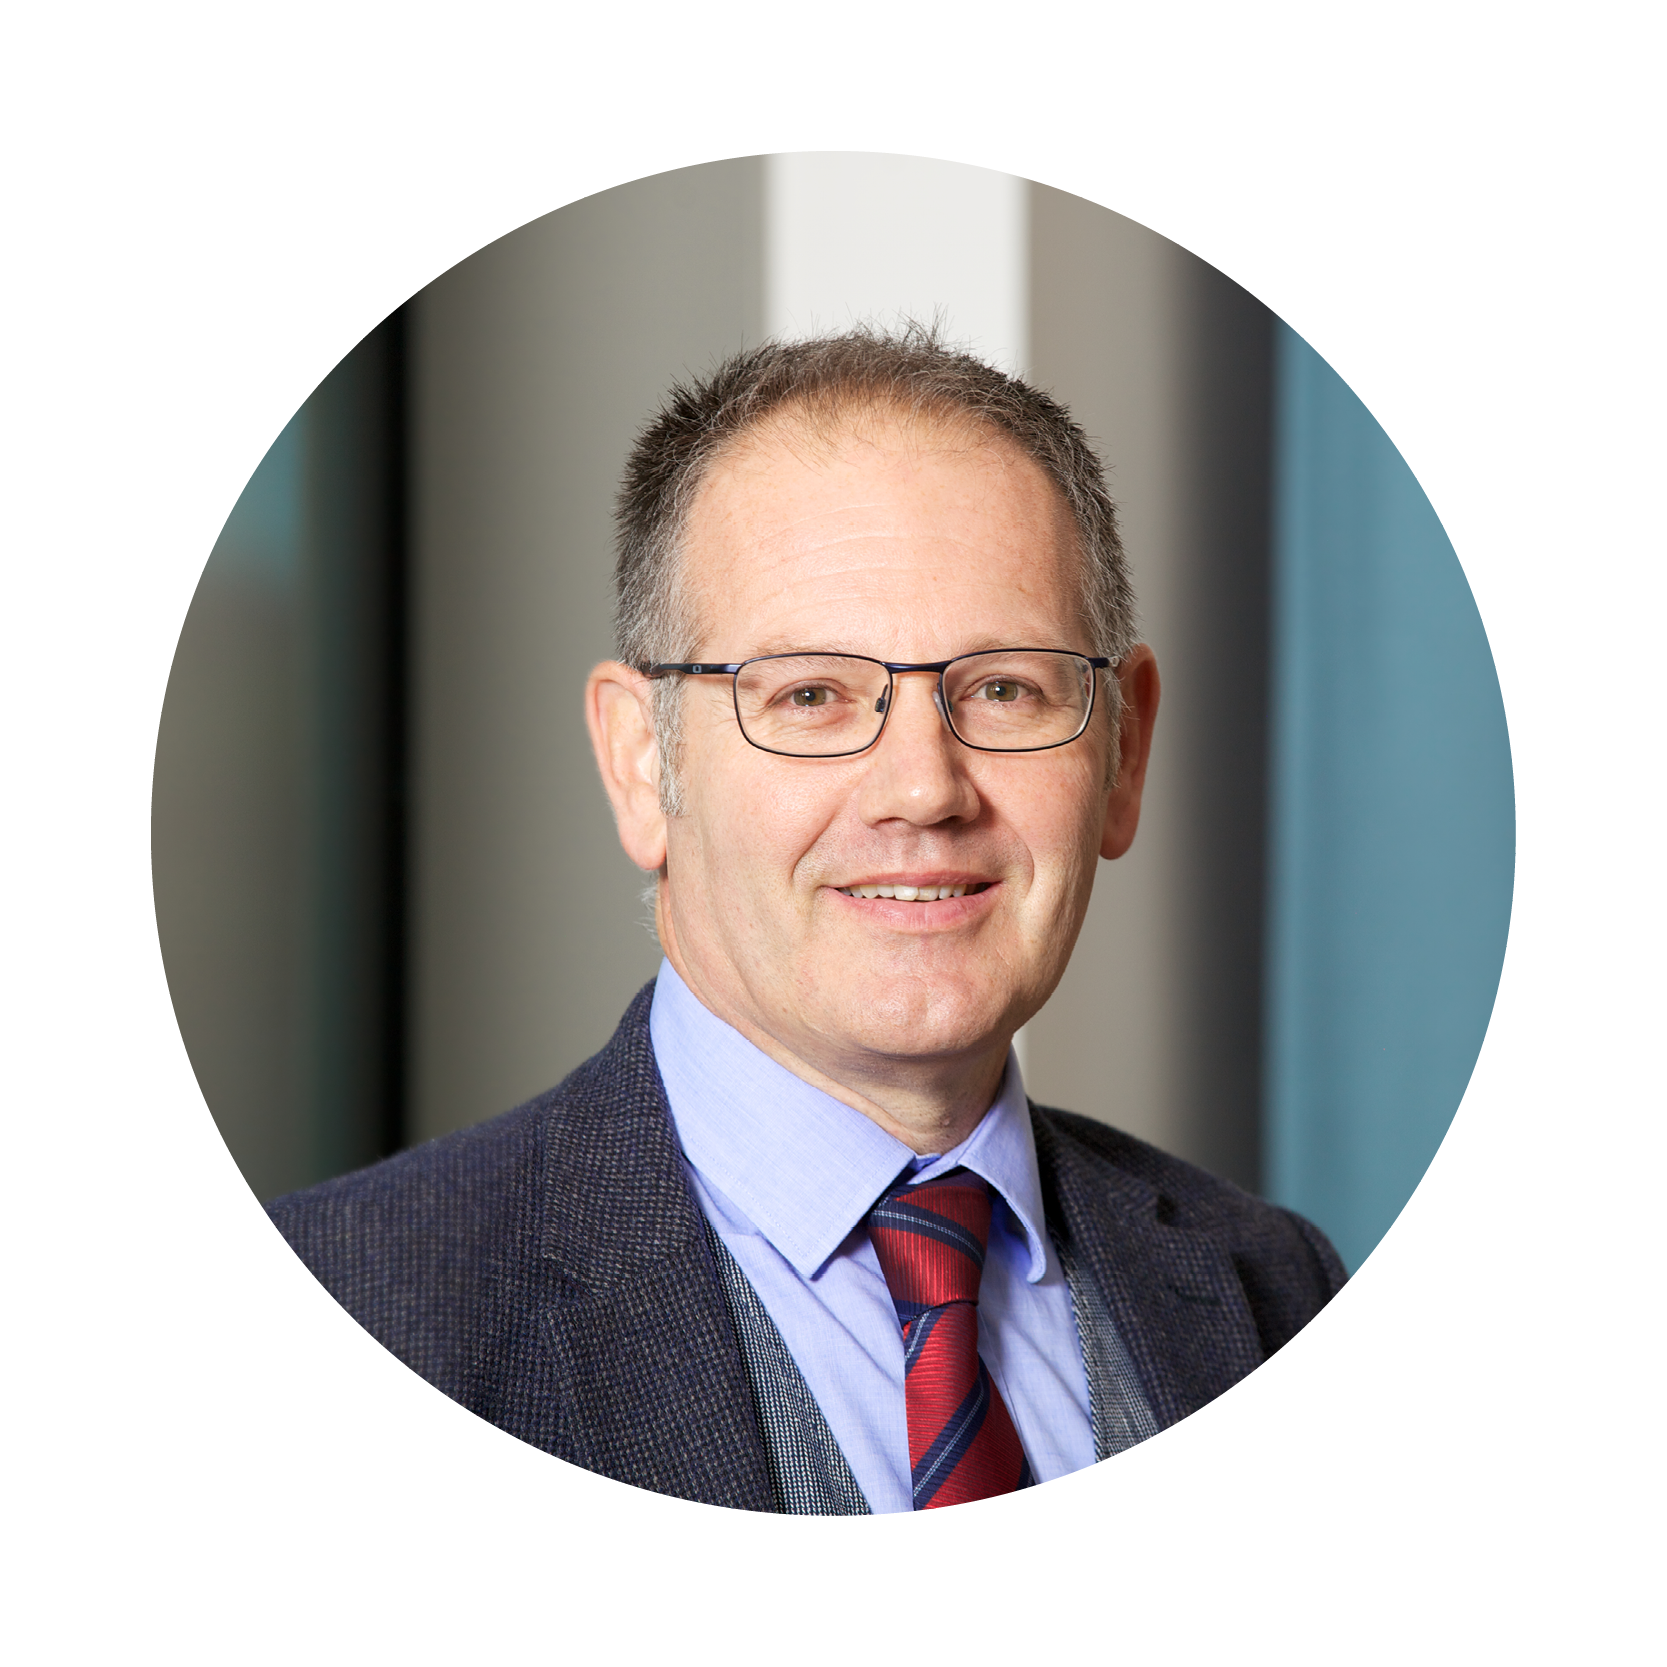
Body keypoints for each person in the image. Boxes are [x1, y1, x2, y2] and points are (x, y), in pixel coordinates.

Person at [269, 324, 1344, 1514]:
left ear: (1122, 751)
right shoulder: (339, 1318)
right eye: (812, 695)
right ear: (641, 763)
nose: (922, 789)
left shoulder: (1271, 1291)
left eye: (1002, 687)